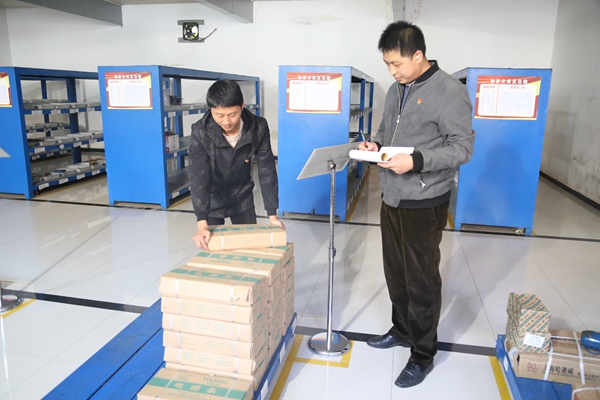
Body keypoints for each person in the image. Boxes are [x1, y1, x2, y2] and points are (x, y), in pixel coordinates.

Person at [359, 21, 475, 388]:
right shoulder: (398, 89)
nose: (392, 72)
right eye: (387, 64)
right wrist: (375, 146)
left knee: (421, 280)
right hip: (391, 194)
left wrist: (417, 161)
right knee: (395, 271)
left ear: (419, 55)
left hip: (424, 200)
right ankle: (402, 329)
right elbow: (385, 132)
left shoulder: (449, 91)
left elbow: (462, 148)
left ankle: (423, 354)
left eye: (396, 63)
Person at [189, 79, 284, 250]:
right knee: (212, 249)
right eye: (219, 115)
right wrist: (201, 221)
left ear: (242, 106)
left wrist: (272, 215)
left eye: (232, 114)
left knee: (249, 247)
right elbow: (199, 174)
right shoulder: (200, 131)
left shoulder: (258, 127)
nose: (226, 121)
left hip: (242, 196)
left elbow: (267, 169)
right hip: (212, 197)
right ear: (210, 109)